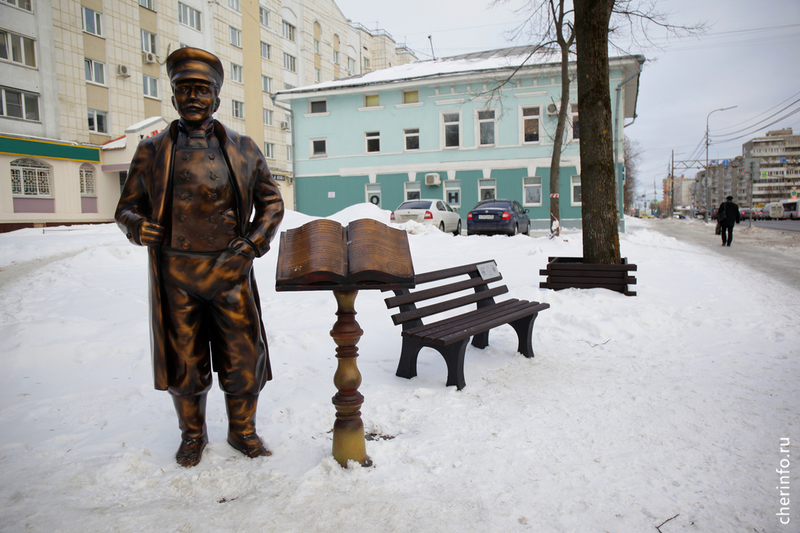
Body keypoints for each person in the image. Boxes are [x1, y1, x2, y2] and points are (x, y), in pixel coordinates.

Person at [115, 47, 284, 467]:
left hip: (230, 270)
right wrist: (136, 226)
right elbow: (126, 207)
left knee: (243, 355)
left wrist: (250, 246)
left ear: (217, 99)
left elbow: (272, 204)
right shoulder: (151, 151)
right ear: (172, 97)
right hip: (177, 274)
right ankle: (192, 435)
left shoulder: (243, 148)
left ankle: (242, 430)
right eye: (183, 90)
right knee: (184, 361)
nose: (193, 97)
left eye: (202, 90)